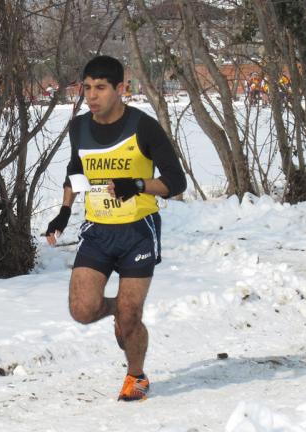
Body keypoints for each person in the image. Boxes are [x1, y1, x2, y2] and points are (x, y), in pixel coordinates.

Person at [45, 56, 187, 402]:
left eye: (101, 88)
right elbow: (75, 170)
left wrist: (137, 184)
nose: (91, 96)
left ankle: (136, 376)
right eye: (87, 88)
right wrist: (63, 213)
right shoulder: (79, 127)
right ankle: (121, 310)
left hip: (138, 230)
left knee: (128, 323)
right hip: (98, 230)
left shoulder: (143, 126)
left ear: (121, 89)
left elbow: (176, 182)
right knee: (82, 309)